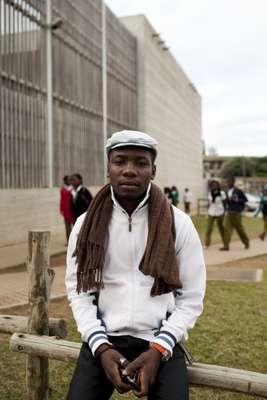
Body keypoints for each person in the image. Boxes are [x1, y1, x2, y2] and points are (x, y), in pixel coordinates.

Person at [65, 130, 206, 400]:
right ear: (108, 168)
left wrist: (159, 348)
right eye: (120, 161)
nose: (129, 170)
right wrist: (101, 347)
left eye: (140, 163)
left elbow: (191, 296)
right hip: (103, 339)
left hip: (160, 339)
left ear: (153, 170)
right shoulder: (85, 224)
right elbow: (78, 291)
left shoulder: (179, 223)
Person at [220, 177, 249, 251]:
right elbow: (228, 202)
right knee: (227, 229)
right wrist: (227, 200)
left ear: (233, 182)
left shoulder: (238, 191)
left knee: (239, 229)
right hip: (229, 212)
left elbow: (245, 200)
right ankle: (226, 246)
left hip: (236, 213)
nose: (228, 183)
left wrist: (237, 200)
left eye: (230, 182)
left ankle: (246, 243)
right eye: (227, 182)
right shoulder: (227, 191)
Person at [205, 180, 226, 247]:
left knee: (221, 228)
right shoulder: (209, 193)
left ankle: (225, 244)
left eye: (215, 185)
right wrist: (207, 211)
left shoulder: (222, 193)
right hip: (211, 212)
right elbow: (209, 203)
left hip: (220, 212)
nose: (214, 186)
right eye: (212, 185)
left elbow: (225, 203)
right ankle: (207, 244)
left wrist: (224, 212)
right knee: (209, 228)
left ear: (217, 186)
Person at [59, 175, 74, 242]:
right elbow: (61, 200)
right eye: (68, 180)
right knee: (67, 227)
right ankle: (69, 241)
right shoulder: (63, 189)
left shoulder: (73, 188)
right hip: (66, 210)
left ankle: (75, 241)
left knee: (75, 226)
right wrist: (61, 209)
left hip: (73, 210)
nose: (70, 181)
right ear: (65, 181)